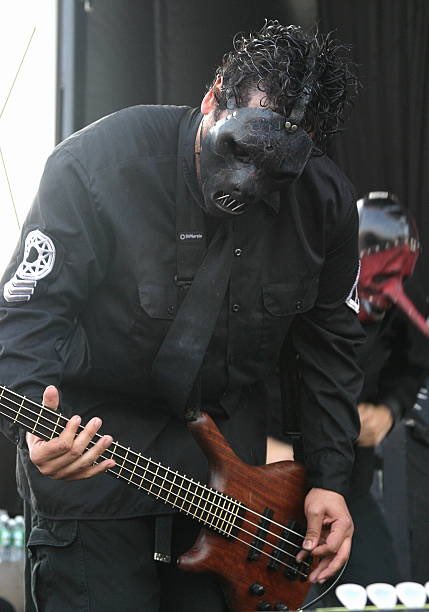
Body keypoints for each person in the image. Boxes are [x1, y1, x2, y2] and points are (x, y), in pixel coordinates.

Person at [0, 21, 364, 612]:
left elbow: (330, 346)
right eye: (239, 150)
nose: (246, 186)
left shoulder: (324, 204)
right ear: (212, 97)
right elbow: (29, 310)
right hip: (96, 467)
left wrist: (329, 476)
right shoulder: (97, 164)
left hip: (230, 496)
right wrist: (32, 427)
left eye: (276, 170)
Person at [268, 191, 429, 591]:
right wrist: (263, 441)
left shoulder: (400, 302)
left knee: (382, 589)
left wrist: (389, 410)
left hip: (345, 483)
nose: (381, 296)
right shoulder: (298, 289)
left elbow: (412, 363)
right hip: (266, 480)